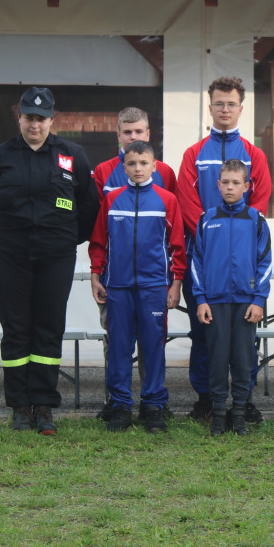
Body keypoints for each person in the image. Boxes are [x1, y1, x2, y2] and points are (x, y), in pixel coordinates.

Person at [0, 86, 99, 435]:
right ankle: (19, 406)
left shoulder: (72, 155)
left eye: (42, 119)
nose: (35, 125)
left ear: (52, 120)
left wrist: (66, 240)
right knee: (16, 330)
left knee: (48, 329)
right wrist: (2, 239)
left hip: (55, 256)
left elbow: (89, 206)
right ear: (20, 118)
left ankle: (43, 406)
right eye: (29, 117)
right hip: (10, 256)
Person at [177, 76, 272, 423]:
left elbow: (259, 208)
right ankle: (207, 398)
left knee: (246, 337)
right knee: (203, 332)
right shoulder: (193, 155)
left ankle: (243, 401)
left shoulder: (254, 155)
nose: (225, 109)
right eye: (219, 103)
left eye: (231, 103)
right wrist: (208, 234)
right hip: (205, 261)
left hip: (245, 267)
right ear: (210, 106)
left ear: (241, 108)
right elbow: (187, 205)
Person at [88, 141, 185, 434]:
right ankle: (120, 406)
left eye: (144, 163)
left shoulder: (167, 200)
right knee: (119, 347)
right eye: (132, 163)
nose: (138, 168)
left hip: (154, 287)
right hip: (117, 287)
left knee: (153, 346)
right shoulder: (112, 199)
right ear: (124, 166)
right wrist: (96, 276)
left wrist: (176, 282)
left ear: (155, 166)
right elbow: (99, 242)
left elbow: (178, 246)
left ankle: (153, 405)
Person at [191, 159, 272, 436]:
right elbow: (197, 262)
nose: (230, 187)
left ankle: (238, 413)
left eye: (236, 182)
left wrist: (258, 299)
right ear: (217, 184)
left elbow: (265, 263)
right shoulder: (206, 219)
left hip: (246, 303)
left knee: (242, 358)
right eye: (225, 182)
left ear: (246, 186)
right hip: (214, 302)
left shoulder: (256, 220)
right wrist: (201, 299)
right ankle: (217, 414)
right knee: (216, 357)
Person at [93, 107, 177, 197]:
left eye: (138, 131)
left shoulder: (166, 172)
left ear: (148, 135)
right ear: (119, 136)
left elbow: (173, 208)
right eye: (127, 132)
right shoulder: (102, 171)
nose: (133, 137)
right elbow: (100, 210)